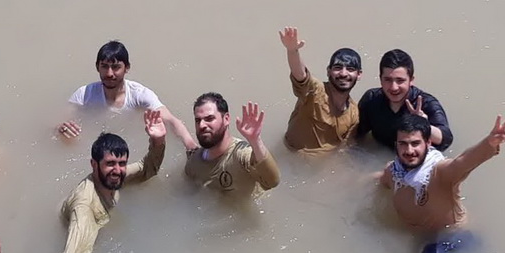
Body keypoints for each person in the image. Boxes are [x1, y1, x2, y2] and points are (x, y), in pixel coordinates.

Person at [58, 110, 166, 253]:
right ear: (94, 164)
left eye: (122, 163)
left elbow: (147, 169)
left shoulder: (115, 177)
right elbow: (70, 252)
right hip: (74, 220)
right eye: (110, 164)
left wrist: (158, 142)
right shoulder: (84, 206)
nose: (117, 171)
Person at [378, 113, 505, 253]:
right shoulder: (393, 172)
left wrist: (488, 143)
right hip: (422, 239)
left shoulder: (439, 172)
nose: (409, 150)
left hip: (457, 237)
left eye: (415, 143)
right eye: (403, 144)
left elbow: (462, 163)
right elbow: (380, 180)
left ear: (428, 143)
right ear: (396, 145)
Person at [57, 40, 196, 150]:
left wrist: (191, 147)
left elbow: (172, 121)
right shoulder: (84, 94)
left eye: (116, 67)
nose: (109, 73)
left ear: (127, 68)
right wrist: (62, 128)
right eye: (104, 66)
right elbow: (58, 121)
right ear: (97, 67)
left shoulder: (139, 94)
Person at [278, 26, 362, 154]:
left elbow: (345, 148)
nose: (343, 74)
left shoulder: (354, 113)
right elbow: (300, 75)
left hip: (324, 166)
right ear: (328, 71)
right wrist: (292, 50)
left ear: (359, 74)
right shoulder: (315, 91)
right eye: (338, 68)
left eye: (350, 69)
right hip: (293, 157)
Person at [184, 93, 280, 197]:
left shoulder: (241, 154)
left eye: (209, 118)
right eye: (198, 120)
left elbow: (273, 181)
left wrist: (255, 141)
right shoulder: (193, 163)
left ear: (226, 119)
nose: (202, 125)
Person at [357, 49, 453, 151]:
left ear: (411, 80)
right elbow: (356, 135)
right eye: (388, 80)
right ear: (380, 79)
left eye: (400, 80)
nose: (394, 87)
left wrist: (424, 124)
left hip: (411, 159)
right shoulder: (371, 99)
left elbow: (446, 139)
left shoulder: (425, 103)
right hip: (380, 154)